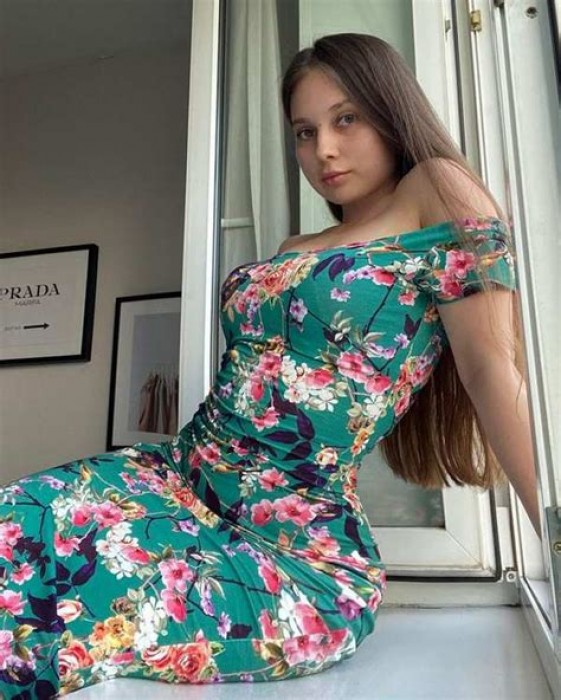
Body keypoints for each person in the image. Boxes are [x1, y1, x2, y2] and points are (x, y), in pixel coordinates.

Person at [0, 33, 539, 698]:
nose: (324, 150)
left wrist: (554, 533)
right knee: (15, 521)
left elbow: (492, 371)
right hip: (173, 480)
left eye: (347, 119)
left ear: (390, 111)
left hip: (289, 552)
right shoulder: (296, 245)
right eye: (304, 132)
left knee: (58, 627)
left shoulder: (436, 188)